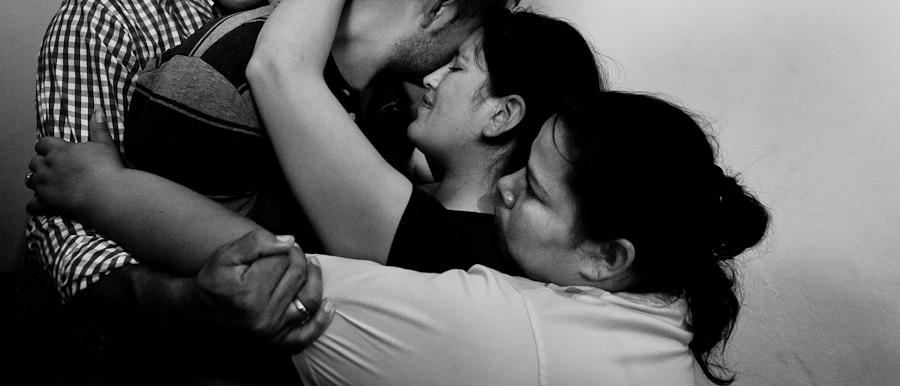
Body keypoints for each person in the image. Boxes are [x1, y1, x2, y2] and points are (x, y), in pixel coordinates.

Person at [28, 92, 771, 386]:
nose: (505, 186)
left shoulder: (511, 334)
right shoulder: (660, 315)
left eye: (534, 191)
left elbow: (272, 271)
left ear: (608, 258)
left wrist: (96, 187)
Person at [20, 0, 306, 384]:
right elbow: (61, 226)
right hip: (114, 352)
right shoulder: (104, 19)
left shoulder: (307, 10)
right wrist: (181, 300)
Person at [118, 0, 533, 264]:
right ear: (441, 8)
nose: (480, 50)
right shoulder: (221, 76)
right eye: (485, 29)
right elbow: (183, 275)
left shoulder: (395, 106)